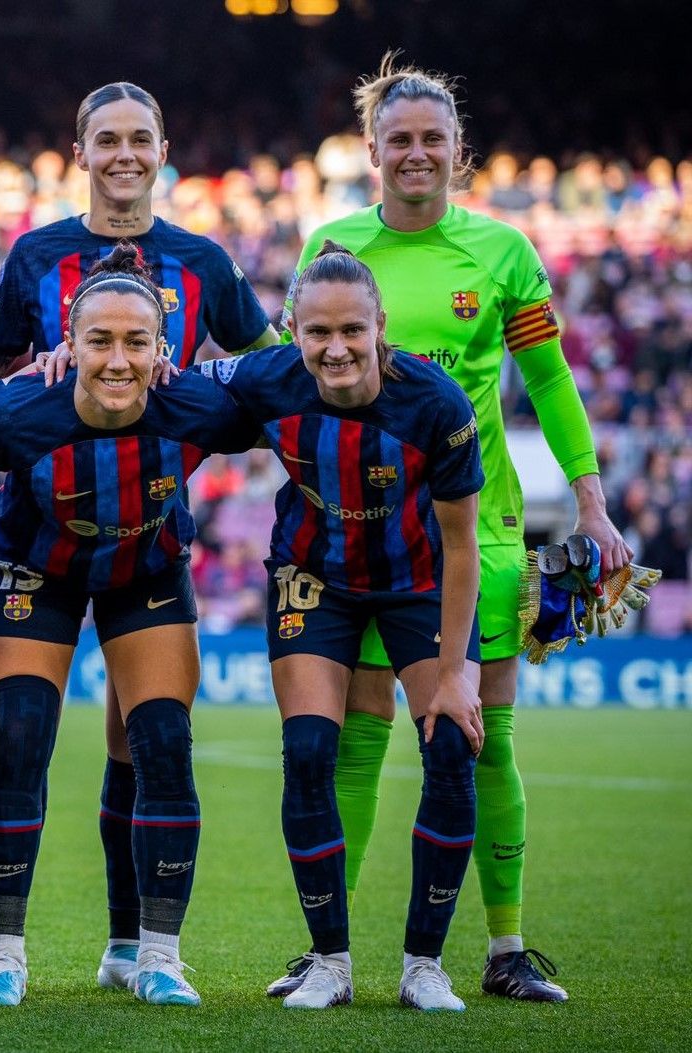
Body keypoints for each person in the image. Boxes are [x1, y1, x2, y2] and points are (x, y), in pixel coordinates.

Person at [268, 55, 625, 1004]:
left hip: (475, 524)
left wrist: (588, 499)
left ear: (458, 153)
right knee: (355, 735)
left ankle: (504, 948)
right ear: (374, 152)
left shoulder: (503, 253)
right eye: (400, 140)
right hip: (360, 528)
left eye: (433, 139)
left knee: (480, 733)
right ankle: (327, 951)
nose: (417, 154)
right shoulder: (331, 246)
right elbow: (290, 377)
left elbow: (547, 381)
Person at [0, 80, 280, 992]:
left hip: (147, 545)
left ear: (162, 147)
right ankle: (1, 956)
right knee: (20, 738)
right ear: (81, 150)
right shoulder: (35, 257)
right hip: (37, 546)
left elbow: (268, 371)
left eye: (140, 138)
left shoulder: (203, 260)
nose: (125, 153)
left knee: (159, 743)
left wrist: (182, 375)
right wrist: (43, 366)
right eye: (108, 139)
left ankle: (146, 953)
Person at [211, 243, 485, 1012]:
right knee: (307, 754)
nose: (335, 348)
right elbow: (174, 386)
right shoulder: (269, 377)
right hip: (314, 580)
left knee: (451, 747)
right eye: (317, 332)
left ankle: (423, 964)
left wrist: (459, 672)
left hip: (416, 584)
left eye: (351, 331)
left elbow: (462, 545)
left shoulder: (437, 404)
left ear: (380, 327)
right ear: (292, 330)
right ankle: (329, 960)